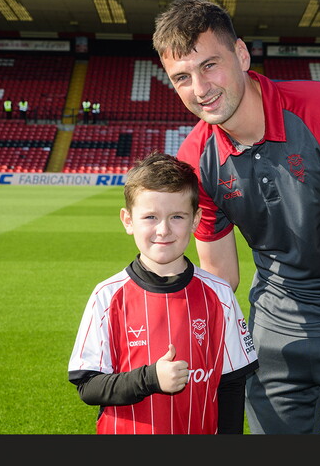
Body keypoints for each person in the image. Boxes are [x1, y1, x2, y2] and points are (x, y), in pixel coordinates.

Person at [153, 0, 320, 435]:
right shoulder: (196, 157)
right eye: (182, 77)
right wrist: (187, 341)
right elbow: (220, 276)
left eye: (210, 66)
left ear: (240, 54)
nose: (200, 89)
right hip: (274, 333)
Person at [67, 151, 259, 434]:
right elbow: (88, 386)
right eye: (150, 217)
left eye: (177, 217)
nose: (163, 230)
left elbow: (231, 384)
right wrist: (151, 378)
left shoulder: (219, 295)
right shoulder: (107, 296)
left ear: (195, 220)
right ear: (128, 220)